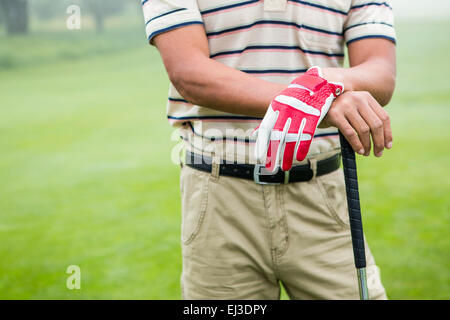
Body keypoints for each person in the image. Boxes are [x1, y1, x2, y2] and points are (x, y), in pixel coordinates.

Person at [141, 0, 396, 300]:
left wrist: (328, 84)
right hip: (221, 202)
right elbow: (189, 72)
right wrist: (310, 102)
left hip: (322, 194)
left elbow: (381, 71)